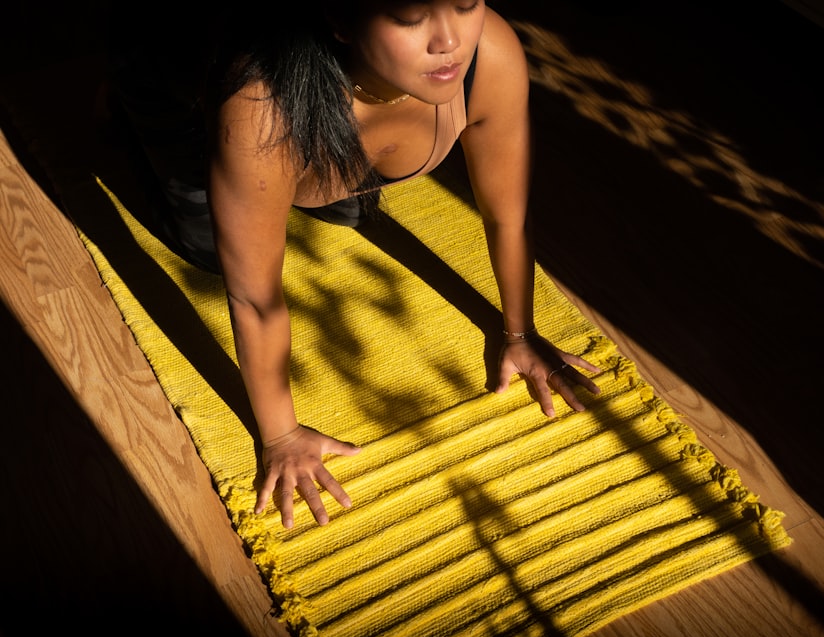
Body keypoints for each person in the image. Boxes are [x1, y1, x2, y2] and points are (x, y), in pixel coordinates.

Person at [112, 0, 601, 529]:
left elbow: (508, 214)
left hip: (313, 135)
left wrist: (521, 331)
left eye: (465, 4)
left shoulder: (490, 54)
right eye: (411, 19)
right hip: (185, 100)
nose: (449, 41)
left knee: (342, 211)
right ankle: (121, 101)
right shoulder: (260, 102)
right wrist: (280, 435)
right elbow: (254, 296)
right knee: (209, 253)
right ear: (340, 19)